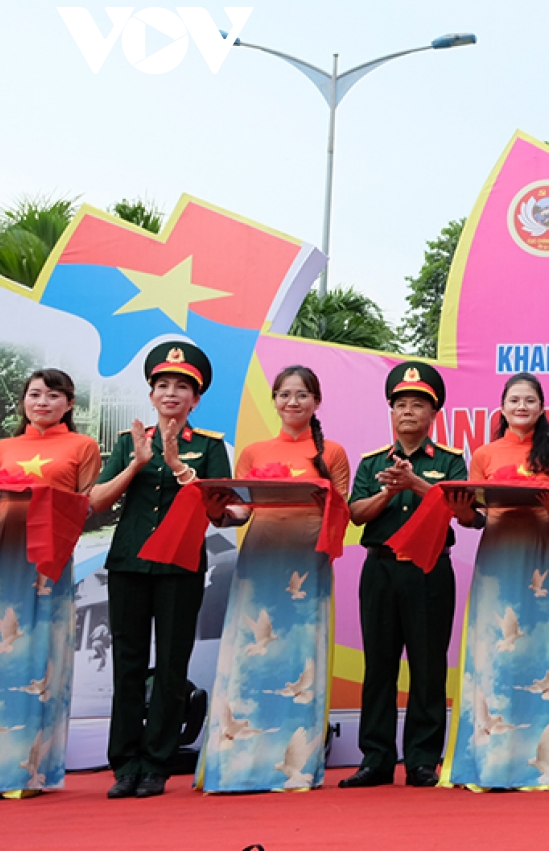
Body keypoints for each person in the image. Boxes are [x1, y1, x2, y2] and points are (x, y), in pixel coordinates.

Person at [198, 365, 350, 792]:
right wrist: (215, 509)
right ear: (275, 401)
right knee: (251, 656)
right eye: (284, 394)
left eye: (302, 395)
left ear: (316, 402)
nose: (292, 402)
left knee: (299, 658)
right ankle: (237, 763)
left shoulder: (333, 452)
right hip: (259, 561)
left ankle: (296, 765)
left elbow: (341, 513)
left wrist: (323, 501)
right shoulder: (254, 451)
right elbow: (240, 512)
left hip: (307, 563)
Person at [89, 342, 231, 799]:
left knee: (172, 666)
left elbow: (220, 510)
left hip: (181, 567)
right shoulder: (129, 442)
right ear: (151, 394)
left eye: (182, 387)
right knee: (127, 665)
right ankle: (125, 763)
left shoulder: (209, 447)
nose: (171, 393)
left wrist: (177, 468)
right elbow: (97, 502)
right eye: (163, 385)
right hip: (130, 562)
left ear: (196, 398)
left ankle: (157, 763)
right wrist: (138, 464)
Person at [441, 372, 549, 790]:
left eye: (529, 400)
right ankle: (487, 760)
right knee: (493, 653)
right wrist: (464, 513)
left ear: (541, 408)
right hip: (497, 557)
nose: (522, 407)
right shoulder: (483, 454)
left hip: (540, 552)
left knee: (539, 654)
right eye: (514, 400)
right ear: (502, 408)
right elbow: (476, 517)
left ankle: (541, 762)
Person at [340, 362, 471, 789]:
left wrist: (416, 484)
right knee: (378, 666)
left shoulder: (451, 462)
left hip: (430, 570)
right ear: (391, 412)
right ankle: (376, 759)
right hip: (380, 569)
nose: (408, 412)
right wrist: (388, 491)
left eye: (417, 404)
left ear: (433, 414)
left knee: (428, 666)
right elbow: (355, 514)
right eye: (400, 404)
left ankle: (421, 759)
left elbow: (466, 514)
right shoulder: (372, 462)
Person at [0, 369, 101, 796]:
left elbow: (87, 506)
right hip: (4, 557)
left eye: (53, 395)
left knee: (36, 661)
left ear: (69, 404)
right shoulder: (4, 446)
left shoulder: (82, 446)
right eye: (35, 394)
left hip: (47, 563)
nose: (42, 402)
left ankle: (26, 771)